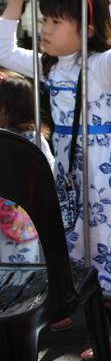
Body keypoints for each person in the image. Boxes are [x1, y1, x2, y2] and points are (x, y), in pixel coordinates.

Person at [0, 0, 111, 357]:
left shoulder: (99, 65)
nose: (45, 29)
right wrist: (15, 2)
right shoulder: (47, 66)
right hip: (70, 176)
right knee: (83, 253)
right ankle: (109, 327)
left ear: (87, 28)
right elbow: (4, 51)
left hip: (106, 177)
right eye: (44, 21)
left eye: (56, 22)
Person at [0, 72, 54, 266]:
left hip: (18, 219)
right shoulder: (36, 139)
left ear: (6, 109)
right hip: (25, 219)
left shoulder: (11, 139)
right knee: (23, 270)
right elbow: (50, 173)